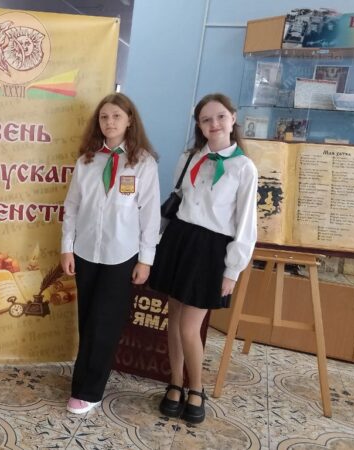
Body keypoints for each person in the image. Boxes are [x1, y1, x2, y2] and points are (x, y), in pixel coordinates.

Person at [148, 93, 258, 424]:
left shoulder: (244, 167)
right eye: (206, 119)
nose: (214, 124)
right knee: (174, 320)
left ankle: (196, 388)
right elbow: (175, 202)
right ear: (198, 125)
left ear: (233, 118)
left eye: (220, 116)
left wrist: (233, 270)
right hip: (179, 241)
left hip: (211, 250)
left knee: (189, 326)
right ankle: (175, 382)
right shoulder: (189, 157)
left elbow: (246, 225)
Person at [60, 93, 161, 414]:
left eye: (116, 116)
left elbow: (150, 214)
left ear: (129, 120)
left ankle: (88, 391)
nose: (110, 122)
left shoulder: (143, 163)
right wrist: (67, 248)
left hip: (122, 255)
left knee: (106, 322)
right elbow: (72, 207)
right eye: (104, 117)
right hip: (86, 252)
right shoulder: (87, 160)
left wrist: (146, 259)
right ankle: (84, 379)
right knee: (88, 319)